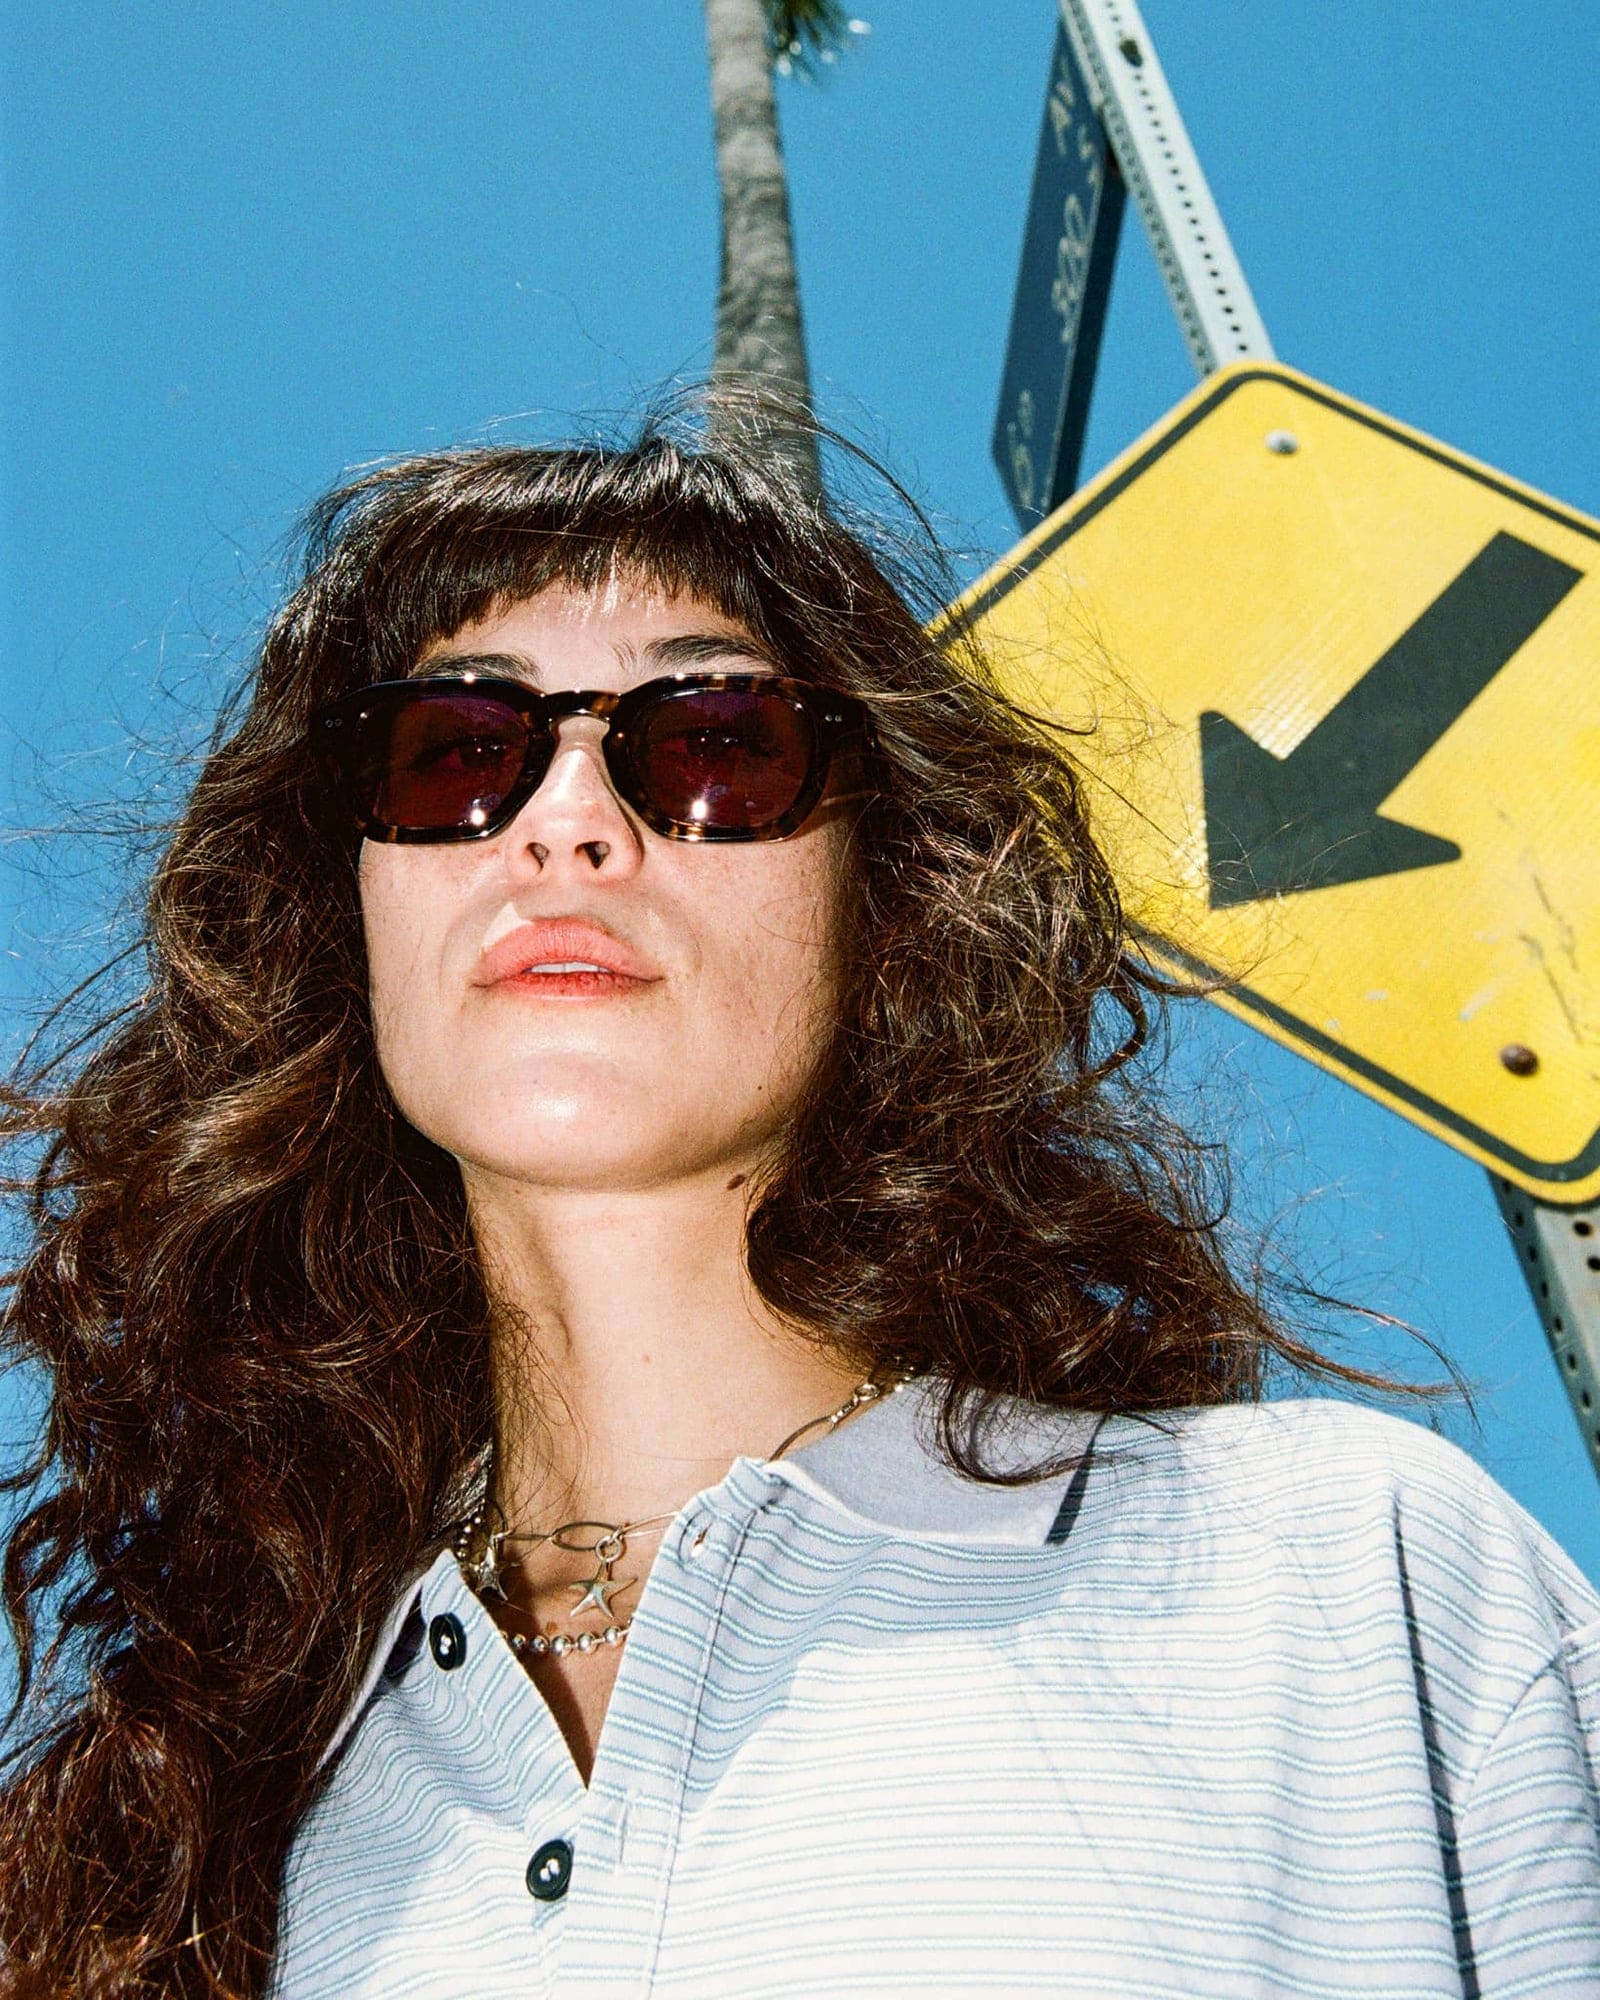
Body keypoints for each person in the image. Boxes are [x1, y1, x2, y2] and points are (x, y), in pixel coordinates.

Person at [1, 424, 1596, 2000]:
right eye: (456, 752)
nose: (566, 822)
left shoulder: (1338, 1575)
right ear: (345, 910)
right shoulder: (192, 1837)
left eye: (715, 743)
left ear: (884, 901)